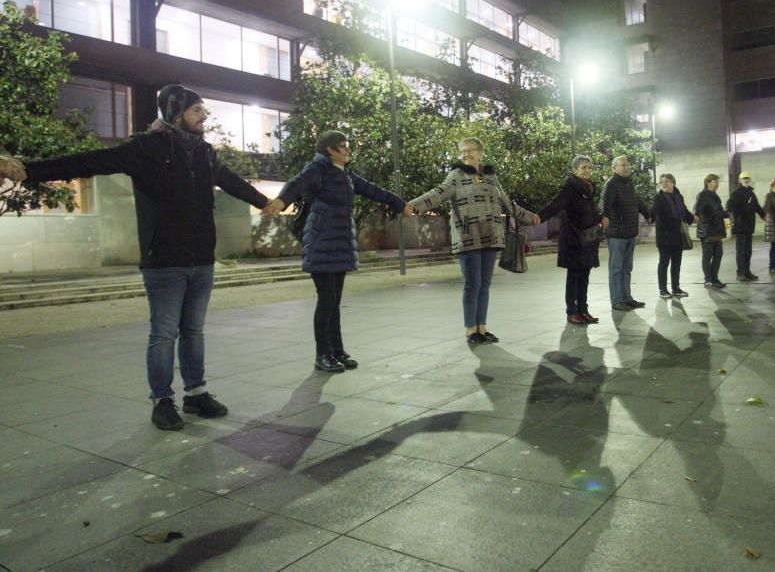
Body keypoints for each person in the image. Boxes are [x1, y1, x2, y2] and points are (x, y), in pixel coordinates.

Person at [0, 85, 273, 431]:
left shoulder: (205, 152)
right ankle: (162, 401)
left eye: (203, 110)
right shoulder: (144, 148)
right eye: (196, 110)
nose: (204, 116)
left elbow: (233, 182)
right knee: (163, 334)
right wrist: (26, 169)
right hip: (164, 261)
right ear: (175, 113)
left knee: (194, 331)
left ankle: (196, 393)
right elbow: (86, 161)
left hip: (201, 258)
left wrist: (267, 203)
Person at [263, 131, 412, 371]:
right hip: (321, 242)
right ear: (330, 150)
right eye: (343, 146)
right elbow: (296, 184)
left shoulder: (346, 173)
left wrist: (399, 203)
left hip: (340, 243)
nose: (347, 150)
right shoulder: (318, 169)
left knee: (335, 302)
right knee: (327, 301)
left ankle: (337, 350)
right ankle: (322, 354)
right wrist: (281, 201)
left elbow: (371, 189)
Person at [409, 137, 538, 344]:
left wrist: (529, 216)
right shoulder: (456, 176)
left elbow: (506, 201)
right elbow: (438, 193)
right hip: (468, 238)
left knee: (484, 285)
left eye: (470, 150)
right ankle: (471, 330)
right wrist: (414, 205)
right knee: (472, 284)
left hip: (491, 236)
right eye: (463, 151)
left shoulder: (490, 176)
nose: (466, 154)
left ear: (480, 153)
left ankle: (482, 327)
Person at [537, 155, 609, 324]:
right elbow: (555, 205)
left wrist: (600, 218)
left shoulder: (588, 189)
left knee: (585, 275)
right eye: (583, 167)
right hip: (574, 239)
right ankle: (572, 311)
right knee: (574, 276)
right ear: (575, 170)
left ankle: (583, 309)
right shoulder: (570, 189)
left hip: (588, 238)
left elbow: (589, 211)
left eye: (590, 167)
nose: (587, 171)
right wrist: (540, 217)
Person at [600, 155, 651, 310]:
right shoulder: (611, 184)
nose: (626, 167)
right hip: (616, 233)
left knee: (627, 268)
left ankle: (627, 298)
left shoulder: (628, 184)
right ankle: (617, 300)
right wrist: (604, 218)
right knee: (616, 268)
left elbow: (638, 202)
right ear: (614, 168)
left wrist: (648, 214)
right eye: (622, 165)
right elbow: (605, 204)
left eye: (627, 165)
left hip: (630, 232)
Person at [652, 173, 694, 298]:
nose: (664, 184)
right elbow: (655, 212)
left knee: (676, 263)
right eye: (662, 182)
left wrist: (693, 218)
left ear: (673, 183)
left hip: (677, 235)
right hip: (665, 235)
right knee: (664, 263)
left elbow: (684, 211)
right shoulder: (658, 198)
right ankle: (663, 289)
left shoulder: (678, 196)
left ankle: (676, 288)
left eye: (667, 181)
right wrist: (649, 216)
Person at [726, 171, 766, 282]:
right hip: (740, 226)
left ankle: (747, 272)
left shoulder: (751, 194)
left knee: (748, 251)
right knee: (741, 251)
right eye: (744, 178)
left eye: (748, 178)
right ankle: (740, 273)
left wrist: (764, 215)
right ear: (740, 180)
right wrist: (743, 208)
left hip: (749, 226)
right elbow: (729, 206)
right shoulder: (736, 193)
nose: (746, 180)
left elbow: (757, 206)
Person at [694, 173, 729, 288]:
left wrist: (729, 213)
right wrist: (698, 217)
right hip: (707, 231)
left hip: (717, 230)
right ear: (708, 182)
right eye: (715, 181)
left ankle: (715, 278)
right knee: (707, 256)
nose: (717, 184)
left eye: (718, 182)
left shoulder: (715, 196)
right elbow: (697, 210)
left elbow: (720, 211)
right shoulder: (702, 195)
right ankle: (708, 280)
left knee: (718, 254)